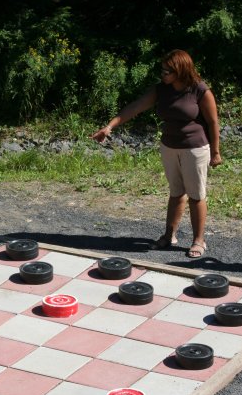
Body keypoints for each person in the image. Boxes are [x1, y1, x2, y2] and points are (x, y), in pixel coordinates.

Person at [92, 49, 222, 258]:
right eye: (162, 70)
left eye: (167, 71)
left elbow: (213, 122)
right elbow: (135, 107)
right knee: (176, 192)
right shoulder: (161, 90)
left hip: (195, 148)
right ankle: (169, 235)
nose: (163, 74)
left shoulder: (199, 90)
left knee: (196, 195)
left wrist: (215, 152)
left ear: (180, 70)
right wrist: (109, 126)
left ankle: (199, 240)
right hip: (169, 147)